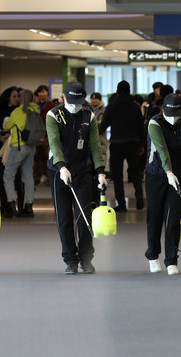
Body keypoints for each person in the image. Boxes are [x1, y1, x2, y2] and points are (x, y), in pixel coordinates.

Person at [46, 82, 107, 275]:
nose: (75, 106)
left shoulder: (88, 116)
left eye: (79, 102)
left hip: (82, 171)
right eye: (71, 101)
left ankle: (86, 259)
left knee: (85, 217)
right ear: (64, 97)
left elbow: (95, 146)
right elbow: (54, 143)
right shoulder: (53, 115)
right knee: (64, 218)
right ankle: (70, 260)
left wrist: (101, 171)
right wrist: (61, 166)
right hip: (58, 172)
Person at [145, 94, 181, 275]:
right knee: (155, 217)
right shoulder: (155, 123)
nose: (174, 117)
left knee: (174, 218)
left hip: (179, 175)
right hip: (156, 175)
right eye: (170, 112)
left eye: (177, 113)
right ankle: (152, 256)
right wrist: (168, 172)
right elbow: (161, 150)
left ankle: (171, 260)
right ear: (163, 109)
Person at [99, 80, 145, 211]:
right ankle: (139, 195)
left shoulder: (112, 106)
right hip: (133, 143)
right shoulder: (135, 107)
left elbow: (104, 125)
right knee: (135, 172)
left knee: (117, 175)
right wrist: (141, 144)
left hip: (117, 144)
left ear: (117, 91)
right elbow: (141, 127)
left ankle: (121, 204)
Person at [3, 89, 38, 218]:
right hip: (32, 147)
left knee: (8, 175)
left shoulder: (17, 112)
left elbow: (7, 126)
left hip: (18, 147)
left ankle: (11, 205)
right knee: (28, 176)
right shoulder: (36, 110)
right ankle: (29, 207)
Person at [0, 86, 24, 216]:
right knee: (2, 177)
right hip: (2, 147)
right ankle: (5, 204)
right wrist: (2, 137)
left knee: (17, 177)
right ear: (8, 98)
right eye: (14, 96)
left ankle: (17, 204)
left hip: (17, 147)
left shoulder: (20, 111)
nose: (16, 99)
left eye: (18, 96)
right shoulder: (0, 111)